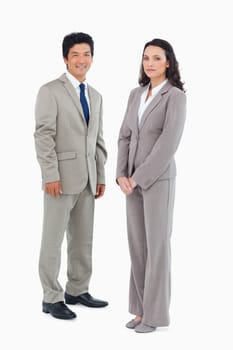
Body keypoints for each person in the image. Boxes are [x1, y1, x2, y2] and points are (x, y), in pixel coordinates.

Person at [34, 32, 108, 320]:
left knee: (82, 239)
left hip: (88, 180)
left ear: (92, 58)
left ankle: (77, 289)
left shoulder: (96, 95)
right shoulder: (50, 90)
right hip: (60, 180)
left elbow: (98, 140)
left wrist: (100, 176)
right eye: (75, 54)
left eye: (86, 54)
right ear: (65, 58)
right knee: (52, 240)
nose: (82, 59)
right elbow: (43, 135)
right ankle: (51, 296)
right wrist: (49, 174)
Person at [116, 38, 186, 333]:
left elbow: (168, 142)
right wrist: (121, 174)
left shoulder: (175, 96)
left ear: (168, 62)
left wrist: (139, 177)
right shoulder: (136, 94)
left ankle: (156, 316)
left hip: (157, 181)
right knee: (138, 247)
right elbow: (125, 136)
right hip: (129, 182)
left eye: (157, 58)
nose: (150, 63)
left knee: (157, 247)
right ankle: (141, 311)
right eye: (146, 58)